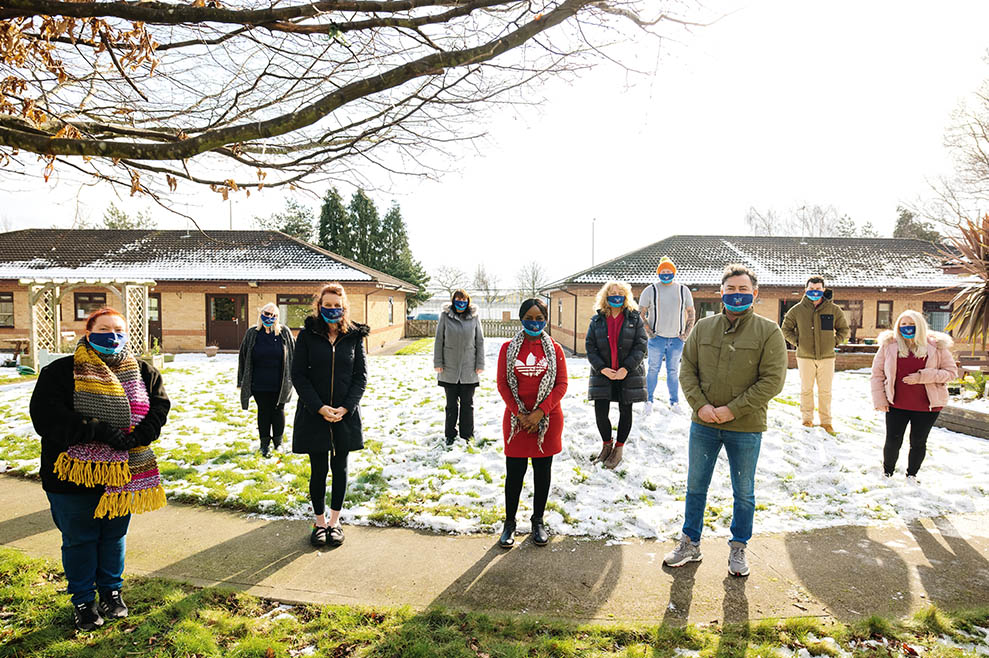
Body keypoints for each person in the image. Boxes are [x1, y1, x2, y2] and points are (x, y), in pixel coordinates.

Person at [30, 308, 170, 631]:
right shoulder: (62, 372)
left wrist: (143, 433)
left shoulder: (143, 372)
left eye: (119, 330)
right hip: (73, 476)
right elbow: (46, 416)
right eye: (104, 329)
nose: (113, 336)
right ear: (88, 332)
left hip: (124, 473)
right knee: (79, 538)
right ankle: (83, 600)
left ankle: (111, 591)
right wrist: (97, 430)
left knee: (114, 536)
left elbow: (160, 406)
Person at [666, 264, 787, 577]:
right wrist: (701, 406)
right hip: (704, 424)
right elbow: (686, 369)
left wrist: (733, 409)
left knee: (743, 491)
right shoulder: (704, 328)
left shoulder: (768, 331)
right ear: (721, 292)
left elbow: (772, 380)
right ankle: (690, 544)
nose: (737, 295)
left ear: (754, 293)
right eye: (731, 289)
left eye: (743, 289)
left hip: (745, 427)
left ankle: (738, 548)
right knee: (695, 487)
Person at [291, 283, 369, 548]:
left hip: (345, 415)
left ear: (344, 307)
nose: (332, 309)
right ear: (319, 305)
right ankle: (320, 522)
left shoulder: (355, 337)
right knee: (318, 469)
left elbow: (360, 377)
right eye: (328, 305)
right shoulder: (307, 335)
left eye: (337, 305)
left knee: (340, 468)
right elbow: (298, 375)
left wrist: (347, 407)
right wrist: (319, 407)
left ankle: (335, 522)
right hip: (315, 414)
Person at [495, 298, 568, 549]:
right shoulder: (507, 349)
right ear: (521, 318)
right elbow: (503, 384)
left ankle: (538, 521)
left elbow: (561, 385)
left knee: (542, 473)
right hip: (516, 422)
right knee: (514, 474)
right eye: (529, 318)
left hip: (547, 422)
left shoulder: (555, 350)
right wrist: (520, 414)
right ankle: (509, 523)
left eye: (539, 318)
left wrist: (539, 413)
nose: (534, 323)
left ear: (545, 320)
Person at [870, 310, 956, 480]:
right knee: (893, 440)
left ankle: (912, 475)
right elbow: (877, 375)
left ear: (920, 326)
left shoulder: (936, 346)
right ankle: (887, 473)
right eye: (903, 324)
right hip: (896, 404)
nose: (907, 328)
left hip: (927, 405)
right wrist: (879, 399)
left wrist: (922, 377)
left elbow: (951, 372)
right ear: (898, 327)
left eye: (912, 324)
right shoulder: (889, 345)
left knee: (918, 442)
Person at [584, 280, 648, 469]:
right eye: (612, 293)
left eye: (620, 293)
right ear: (606, 296)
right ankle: (606, 445)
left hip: (627, 374)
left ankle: (618, 449)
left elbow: (641, 345)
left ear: (626, 296)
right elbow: (590, 346)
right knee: (600, 412)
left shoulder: (634, 318)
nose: (616, 296)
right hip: (603, 373)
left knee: (625, 411)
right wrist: (602, 369)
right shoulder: (597, 320)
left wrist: (625, 369)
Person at [781, 276, 849, 434]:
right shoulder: (797, 310)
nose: (815, 292)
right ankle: (807, 420)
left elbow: (843, 330)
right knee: (806, 389)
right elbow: (786, 329)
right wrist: (798, 342)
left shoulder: (833, 309)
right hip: (805, 356)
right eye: (811, 289)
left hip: (827, 357)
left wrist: (834, 342)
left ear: (823, 290)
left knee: (825, 391)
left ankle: (826, 422)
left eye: (818, 289)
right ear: (806, 290)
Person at [637, 257, 695, 414]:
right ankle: (648, 401)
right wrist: (650, 333)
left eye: (669, 271)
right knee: (653, 369)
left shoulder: (683, 290)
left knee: (673, 371)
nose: (666, 274)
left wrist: (685, 335)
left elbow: (691, 312)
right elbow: (640, 313)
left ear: (674, 272)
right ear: (658, 272)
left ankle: (674, 402)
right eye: (663, 271)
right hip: (657, 339)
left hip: (676, 339)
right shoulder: (650, 290)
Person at [238, 302, 296, 457]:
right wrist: (241, 381)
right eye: (267, 313)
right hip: (259, 382)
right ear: (261, 314)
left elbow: (294, 354)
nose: (269, 317)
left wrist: (296, 378)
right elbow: (243, 357)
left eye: (273, 315)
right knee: (263, 412)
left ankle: (278, 443)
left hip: (280, 382)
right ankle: (264, 445)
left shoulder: (284, 333)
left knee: (278, 411)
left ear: (277, 317)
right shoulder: (252, 333)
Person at [433, 289, 485, 446]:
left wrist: (480, 364)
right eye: (457, 301)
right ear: (453, 301)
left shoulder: (475, 318)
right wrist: (438, 362)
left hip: (469, 368)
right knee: (451, 405)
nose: (460, 304)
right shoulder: (445, 316)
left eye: (463, 301)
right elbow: (439, 340)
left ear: (467, 302)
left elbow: (480, 341)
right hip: (449, 367)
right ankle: (450, 434)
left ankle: (467, 434)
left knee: (467, 404)